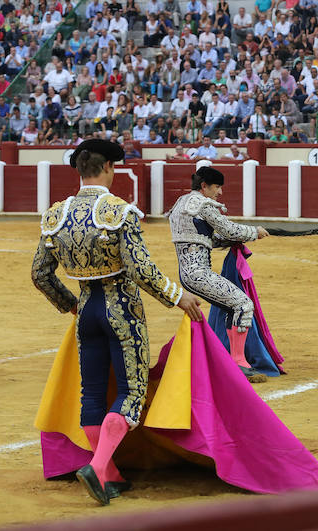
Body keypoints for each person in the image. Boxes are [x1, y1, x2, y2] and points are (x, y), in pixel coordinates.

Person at [31, 139, 203, 505]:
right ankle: (99, 465)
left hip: (86, 310)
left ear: (80, 169)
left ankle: (108, 474)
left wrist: (71, 304)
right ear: (109, 167)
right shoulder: (119, 211)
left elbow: (40, 274)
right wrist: (178, 296)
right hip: (121, 311)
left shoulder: (55, 215)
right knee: (131, 394)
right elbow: (141, 270)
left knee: (91, 393)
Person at [168, 166, 271, 383]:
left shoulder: (182, 203)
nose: (220, 192)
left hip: (188, 273)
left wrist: (228, 241)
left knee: (231, 306)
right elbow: (229, 229)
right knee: (243, 304)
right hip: (198, 273)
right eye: (217, 187)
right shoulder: (203, 205)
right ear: (204, 186)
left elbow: (204, 238)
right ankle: (238, 363)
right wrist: (255, 232)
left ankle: (232, 360)